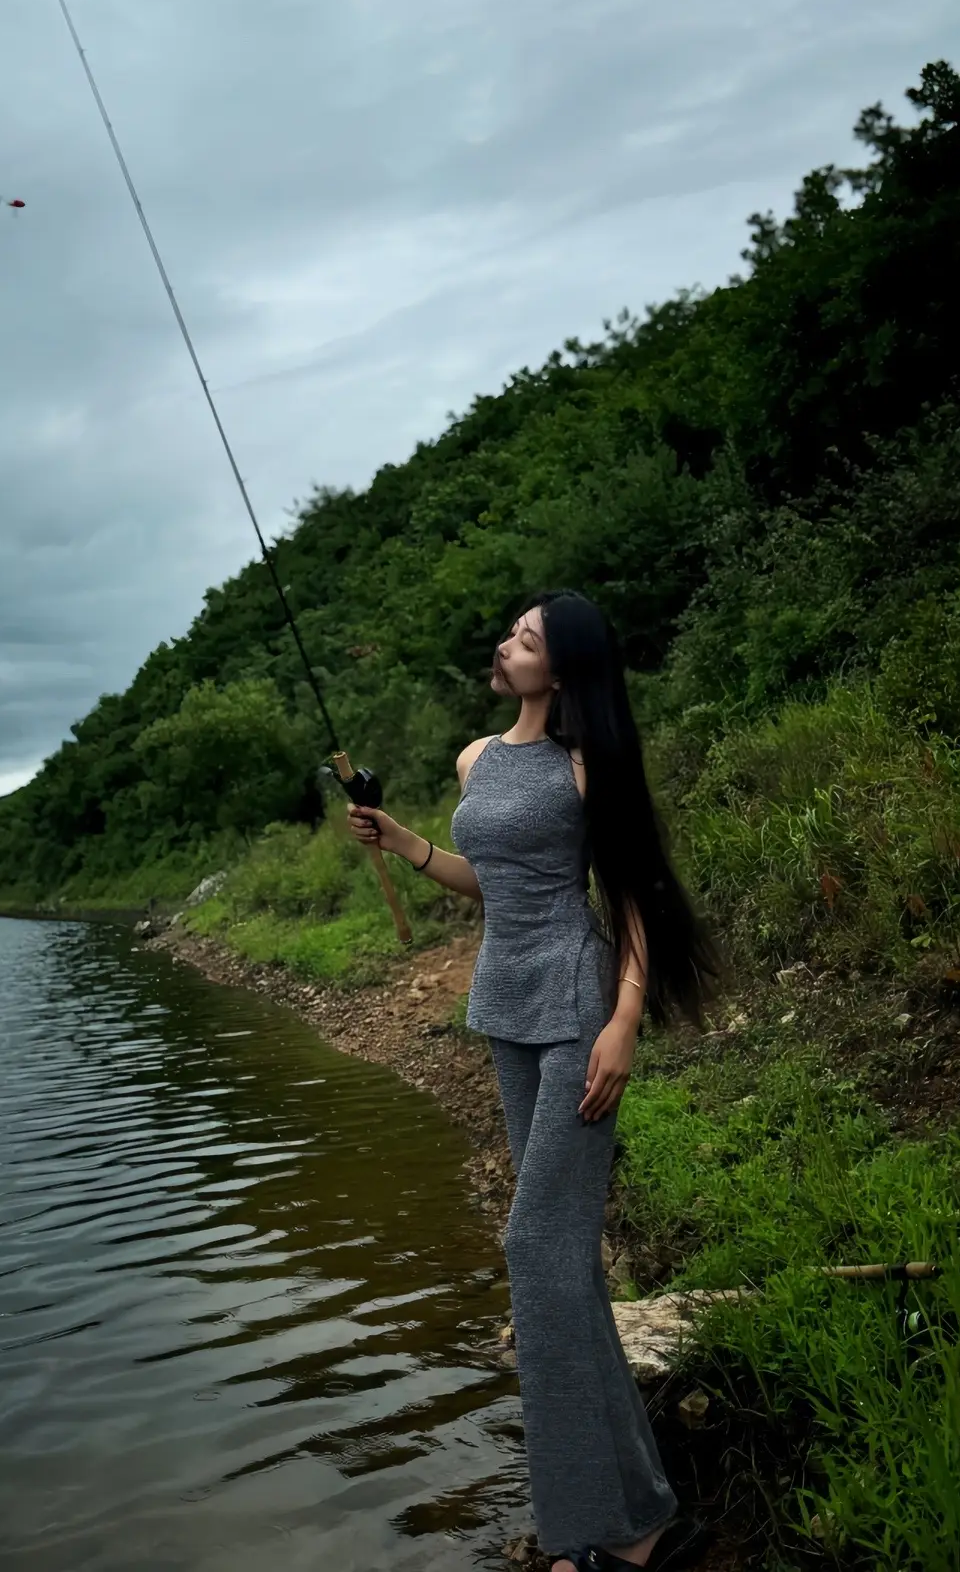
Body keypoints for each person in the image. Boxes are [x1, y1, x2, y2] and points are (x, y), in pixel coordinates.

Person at [347, 589, 723, 1572]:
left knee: (535, 1248)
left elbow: (634, 894)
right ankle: (639, 1507)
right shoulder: (480, 758)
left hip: (575, 1012)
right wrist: (406, 843)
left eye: (526, 640)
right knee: (567, 1269)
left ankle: (579, 1536)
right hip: (505, 1012)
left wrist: (624, 1023)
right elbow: (493, 877)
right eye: (511, 632)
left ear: (563, 671)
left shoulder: (589, 766)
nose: (505, 645)